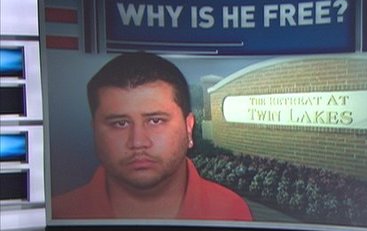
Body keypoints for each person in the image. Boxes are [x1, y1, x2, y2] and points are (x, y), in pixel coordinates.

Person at [52, 51, 253, 221]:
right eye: (120, 123)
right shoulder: (60, 214)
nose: (138, 142)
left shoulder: (231, 212)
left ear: (188, 128)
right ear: (95, 131)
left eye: (155, 121)